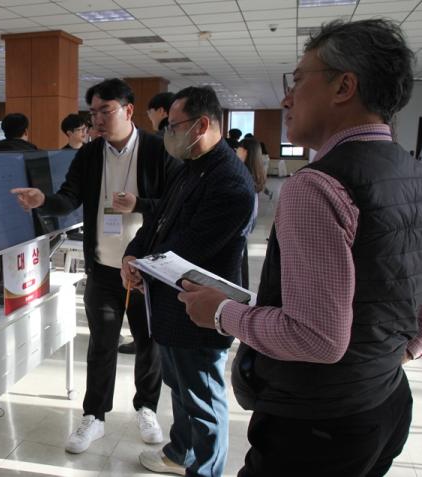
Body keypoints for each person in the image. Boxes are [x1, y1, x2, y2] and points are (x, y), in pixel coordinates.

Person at [179, 19, 422, 476]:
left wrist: (220, 312)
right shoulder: (410, 172)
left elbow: (317, 338)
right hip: (386, 402)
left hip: (317, 425)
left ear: (344, 86)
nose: (287, 98)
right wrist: (397, 354)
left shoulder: (318, 186)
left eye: (298, 80)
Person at [11, 78, 178, 454]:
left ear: (128, 110)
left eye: (106, 110)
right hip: (103, 268)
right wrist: (43, 200)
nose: (97, 119)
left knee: (148, 342)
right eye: (93, 112)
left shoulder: (156, 149)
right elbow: (69, 198)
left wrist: (138, 204)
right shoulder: (88, 154)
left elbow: (174, 204)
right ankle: (95, 416)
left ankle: (146, 408)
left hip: (146, 268)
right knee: (102, 344)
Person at [122, 86, 254, 476]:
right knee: (179, 388)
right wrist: (132, 254)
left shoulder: (230, 181)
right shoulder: (191, 166)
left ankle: (205, 469)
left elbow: (190, 247)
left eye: (174, 126)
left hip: (200, 311)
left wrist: (145, 266)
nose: (168, 134)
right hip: (170, 304)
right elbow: (159, 220)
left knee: (203, 400)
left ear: (201, 125)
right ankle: (180, 453)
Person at [119, 90, 177, 356]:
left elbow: (168, 205)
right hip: (143, 245)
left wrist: (139, 204)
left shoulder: (161, 147)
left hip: (158, 249)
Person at [236, 137, 266, 289]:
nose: (236, 151)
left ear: (246, 152)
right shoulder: (255, 174)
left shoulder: (242, 176)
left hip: (239, 236)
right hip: (244, 235)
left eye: (239, 148)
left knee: (237, 277)